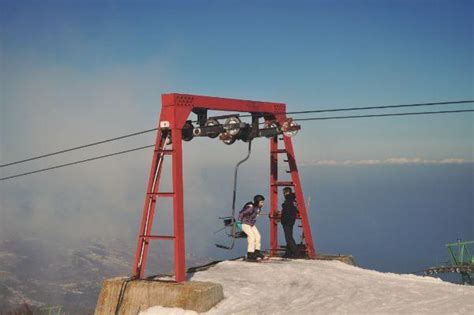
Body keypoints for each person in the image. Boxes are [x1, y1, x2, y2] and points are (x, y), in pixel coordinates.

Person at [237, 195, 265, 261]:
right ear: (257, 202)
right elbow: (241, 213)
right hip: (244, 223)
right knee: (252, 237)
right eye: (261, 202)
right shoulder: (250, 207)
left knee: (258, 236)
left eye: (263, 202)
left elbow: (256, 213)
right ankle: (250, 254)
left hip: (251, 224)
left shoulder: (258, 207)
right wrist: (238, 222)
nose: (262, 204)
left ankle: (256, 251)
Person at [280, 187, 300, 258]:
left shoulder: (288, 200)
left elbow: (287, 210)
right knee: (289, 236)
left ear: (287, 192)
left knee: (288, 238)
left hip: (287, 221)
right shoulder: (293, 200)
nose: (284, 194)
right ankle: (288, 253)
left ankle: (296, 252)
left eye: (285, 192)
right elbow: (295, 210)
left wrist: (283, 220)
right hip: (291, 220)